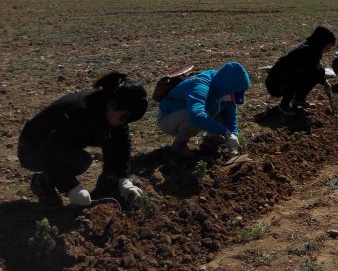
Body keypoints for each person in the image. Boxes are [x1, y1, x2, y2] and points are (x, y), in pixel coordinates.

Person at [18, 72, 148, 207]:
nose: (124, 122)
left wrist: (124, 179)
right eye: (124, 117)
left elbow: (121, 144)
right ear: (111, 104)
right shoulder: (80, 112)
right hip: (32, 149)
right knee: (79, 161)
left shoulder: (108, 110)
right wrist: (72, 188)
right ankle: (42, 182)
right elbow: (49, 152)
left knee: (112, 139)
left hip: (57, 147)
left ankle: (109, 182)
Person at [157, 61, 250, 158]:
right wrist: (225, 132)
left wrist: (233, 135)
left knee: (220, 111)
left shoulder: (225, 87)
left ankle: (211, 139)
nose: (237, 96)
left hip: (186, 114)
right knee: (197, 114)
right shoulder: (200, 85)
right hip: (167, 119)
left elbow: (230, 116)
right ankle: (179, 145)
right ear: (227, 87)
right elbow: (196, 114)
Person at [265, 26, 337, 116]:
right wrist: (321, 80)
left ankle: (299, 99)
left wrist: (325, 83)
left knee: (315, 75)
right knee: (300, 75)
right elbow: (307, 71)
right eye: (327, 48)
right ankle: (284, 105)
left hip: (283, 81)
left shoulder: (314, 51)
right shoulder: (305, 51)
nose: (328, 50)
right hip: (275, 84)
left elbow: (319, 70)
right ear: (320, 43)